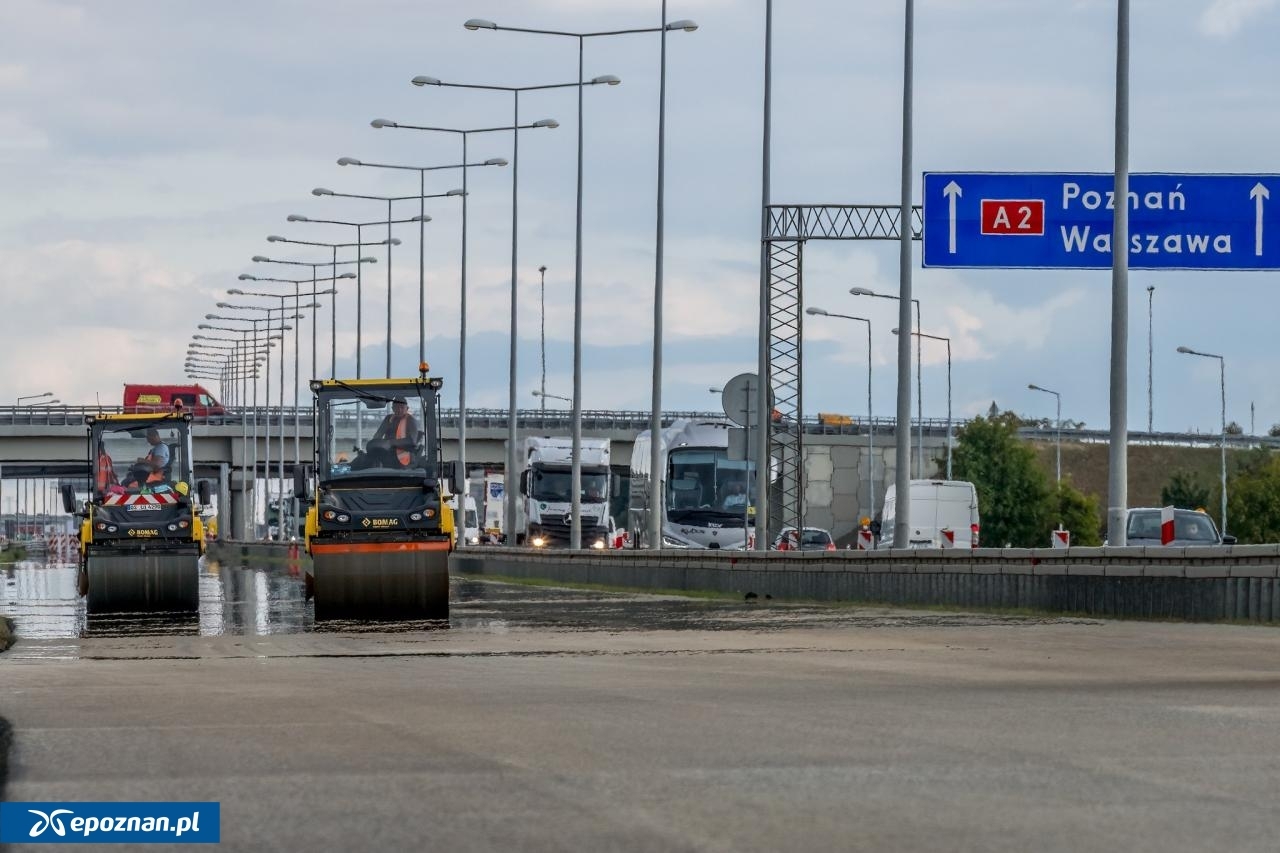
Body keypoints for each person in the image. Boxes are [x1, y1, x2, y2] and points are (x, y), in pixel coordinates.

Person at [354, 397, 419, 469]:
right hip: (386, 452)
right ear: (392, 408)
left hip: (404, 454)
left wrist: (391, 442)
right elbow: (378, 434)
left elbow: (412, 441)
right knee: (361, 461)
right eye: (396, 407)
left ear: (407, 408)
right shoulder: (388, 418)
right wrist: (374, 445)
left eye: (402, 407)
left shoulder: (411, 420)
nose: (399, 410)